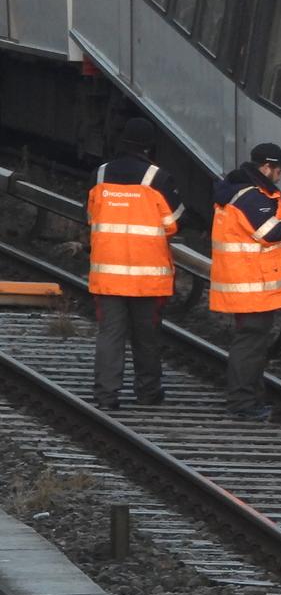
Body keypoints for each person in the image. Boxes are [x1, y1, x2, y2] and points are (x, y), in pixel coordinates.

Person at [88, 116, 184, 411]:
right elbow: (174, 223)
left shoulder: (101, 174)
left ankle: (106, 396)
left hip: (108, 275)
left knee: (110, 335)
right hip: (148, 277)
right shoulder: (157, 178)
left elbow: (91, 217)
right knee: (146, 337)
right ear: (148, 146)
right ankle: (148, 393)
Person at [209, 143, 281, 421]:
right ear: (266, 167)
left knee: (250, 342)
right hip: (253, 286)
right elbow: (270, 232)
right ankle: (243, 402)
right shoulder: (252, 197)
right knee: (250, 344)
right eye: (277, 170)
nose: (279, 176)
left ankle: (248, 396)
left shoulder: (236, 191)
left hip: (244, 283)